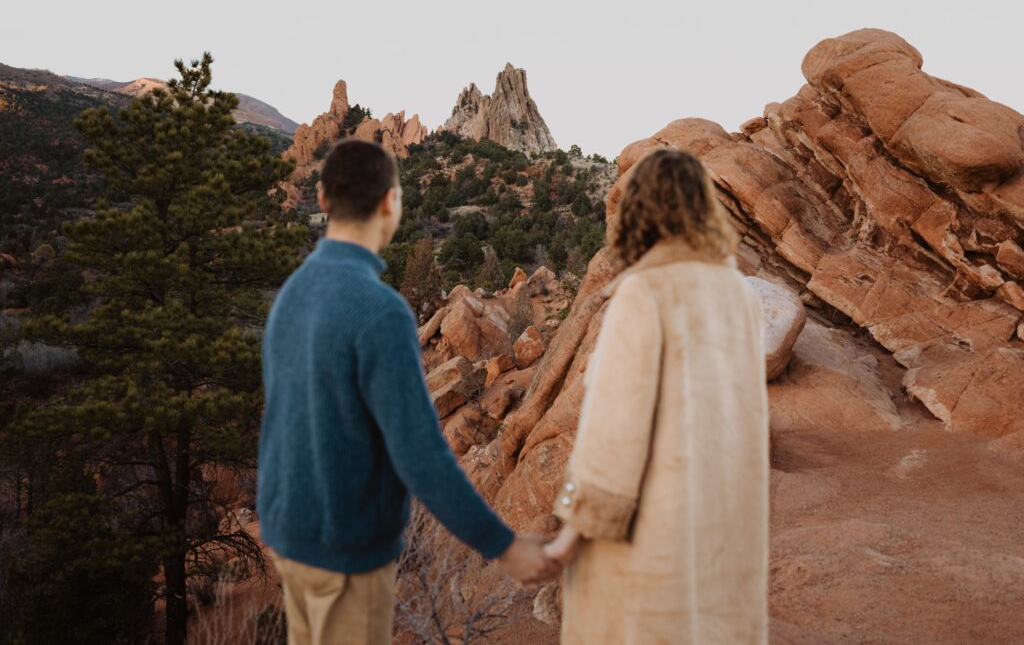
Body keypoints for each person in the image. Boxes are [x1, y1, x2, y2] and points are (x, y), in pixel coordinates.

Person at [257, 138, 559, 645]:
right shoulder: (379, 311)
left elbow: (280, 421)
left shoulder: (291, 296)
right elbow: (421, 457)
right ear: (390, 204)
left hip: (293, 537)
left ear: (324, 200)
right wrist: (504, 546)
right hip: (346, 551)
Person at [544, 148, 770, 643]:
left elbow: (614, 425)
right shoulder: (741, 296)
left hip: (650, 538)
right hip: (722, 528)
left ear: (639, 211)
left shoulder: (643, 293)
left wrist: (572, 529)